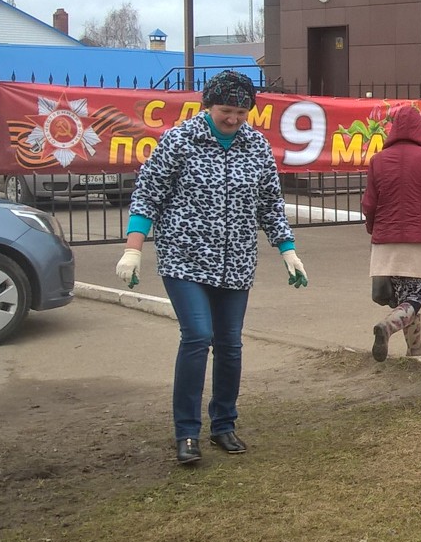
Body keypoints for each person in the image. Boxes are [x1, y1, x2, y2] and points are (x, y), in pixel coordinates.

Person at [115, 71, 308, 465]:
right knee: (198, 336)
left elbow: (269, 203)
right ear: (208, 105)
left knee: (230, 345)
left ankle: (223, 424)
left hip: (235, 261)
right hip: (183, 258)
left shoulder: (255, 147)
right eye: (226, 110)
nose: (234, 119)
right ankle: (186, 432)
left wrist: (288, 250)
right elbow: (148, 195)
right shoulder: (179, 141)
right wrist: (133, 249)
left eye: (241, 111)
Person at [362, 103, 421, 361]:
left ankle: (415, 349)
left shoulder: (378, 160)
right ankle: (387, 326)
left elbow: (369, 204)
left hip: (385, 241)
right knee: (414, 298)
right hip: (417, 239)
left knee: (401, 298)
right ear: (420, 130)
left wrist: (375, 230)